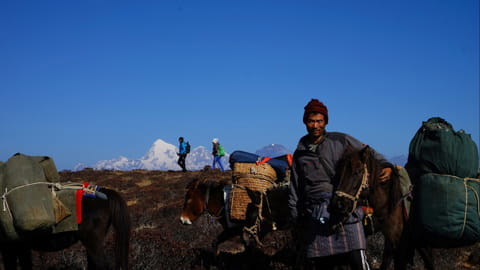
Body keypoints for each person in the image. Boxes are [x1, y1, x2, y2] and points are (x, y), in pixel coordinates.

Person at [288, 99, 392, 270]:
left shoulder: (340, 140)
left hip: (345, 210)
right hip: (315, 214)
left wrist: (386, 165)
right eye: (311, 121)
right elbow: (295, 188)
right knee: (323, 264)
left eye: (319, 121)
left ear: (326, 122)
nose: (315, 125)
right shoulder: (300, 154)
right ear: (305, 122)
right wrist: (295, 216)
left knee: (358, 260)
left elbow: (368, 151)